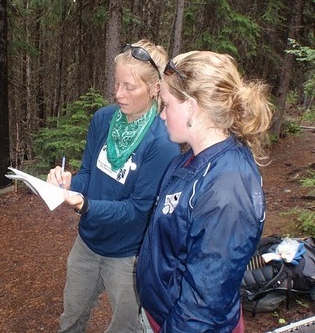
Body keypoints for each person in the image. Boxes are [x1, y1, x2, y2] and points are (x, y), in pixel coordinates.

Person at [47, 39, 180, 332]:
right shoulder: (104, 119)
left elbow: (137, 210)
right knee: (71, 319)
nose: (118, 93)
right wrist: (69, 182)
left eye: (129, 86)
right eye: (117, 83)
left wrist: (84, 204)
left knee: (124, 328)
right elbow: (87, 175)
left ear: (155, 87)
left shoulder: (162, 143)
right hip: (87, 243)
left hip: (128, 255)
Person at [135, 51, 273, 332]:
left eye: (167, 104)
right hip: (160, 313)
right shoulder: (188, 159)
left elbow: (204, 306)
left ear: (193, 108)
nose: (161, 115)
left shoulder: (227, 189)